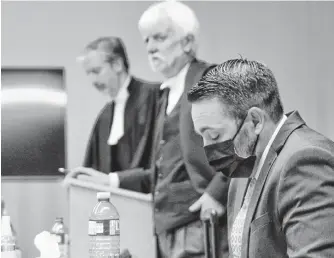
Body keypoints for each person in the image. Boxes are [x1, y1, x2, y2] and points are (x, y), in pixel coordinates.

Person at [106, 2, 229, 258]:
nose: (150, 47)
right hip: (165, 229)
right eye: (147, 40)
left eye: (160, 37)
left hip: (200, 224)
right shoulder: (164, 95)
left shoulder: (209, 80)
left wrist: (216, 194)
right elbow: (163, 170)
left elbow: (244, 146)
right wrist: (108, 180)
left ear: (187, 42)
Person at [187, 58, 334, 258]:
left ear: (255, 121)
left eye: (214, 136)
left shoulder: (304, 161)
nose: (207, 147)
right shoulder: (242, 165)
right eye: (201, 136)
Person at [64, 37, 160, 185]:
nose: (93, 81)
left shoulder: (156, 97)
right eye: (88, 73)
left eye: (96, 71)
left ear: (117, 64)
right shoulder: (104, 117)